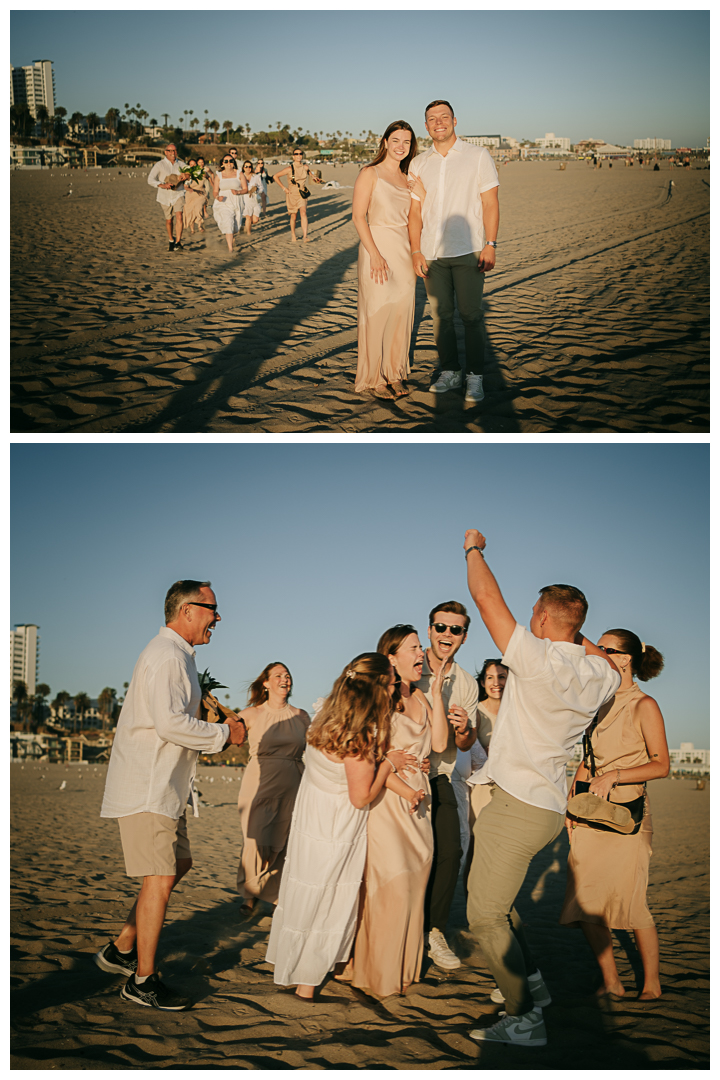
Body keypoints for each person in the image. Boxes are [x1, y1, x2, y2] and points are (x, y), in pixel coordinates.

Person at [462, 530, 621, 1047]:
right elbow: (604, 657)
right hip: (548, 810)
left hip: (516, 805)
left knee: (482, 914)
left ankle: (525, 1019)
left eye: (535, 612)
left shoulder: (536, 658)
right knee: (502, 905)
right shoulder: (602, 675)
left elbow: (486, 599)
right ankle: (533, 986)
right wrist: (574, 631)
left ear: (545, 620)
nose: (529, 617)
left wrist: (473, 549)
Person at [95, 580, 246, 1010]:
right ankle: (142, 979)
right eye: (213, 608)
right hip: (149, 785)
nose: (218, 617)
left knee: (179, 864)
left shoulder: (177, 657)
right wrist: (225, 732)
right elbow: (169, 724)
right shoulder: (167, 656)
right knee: (159, 877)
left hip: (165, 787)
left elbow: (174, 717)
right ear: (187, 611)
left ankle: (123, 946)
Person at [265, 653, 421, 1001]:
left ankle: (293, 969)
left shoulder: (324, 716)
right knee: (328, 897)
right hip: (336, 827)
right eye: (392, 679)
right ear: (378, 686)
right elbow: (361, 797)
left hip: (311, 816)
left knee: (307, 892)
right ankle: (306, 986)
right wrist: (388, 764)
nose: (396, 684)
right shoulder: (360, 736)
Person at [339, 626, 448, 998]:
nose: (422, 653)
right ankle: (376, 970)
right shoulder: (381, 701)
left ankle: (404, 969)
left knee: (415, 885)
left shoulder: (423, 698)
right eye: (415, 647)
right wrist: (402, 784)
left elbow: (439, 744)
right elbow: (375, 759)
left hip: (422, 798)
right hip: (388, 801)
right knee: (393, 886)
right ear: (392, 657)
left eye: (422, 647)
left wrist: (436, 694)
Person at [560, 629, 669, 1000]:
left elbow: (661, 765)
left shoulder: (644, 705)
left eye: (606, 649)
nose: (599, 653)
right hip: (591, 814)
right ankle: (611, 980)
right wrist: (571, 807)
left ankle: (651, 984)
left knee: (631, 900)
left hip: (629, 817)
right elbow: (587, 762)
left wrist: (615, 775)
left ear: (625, 659)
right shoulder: (598, 703)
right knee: (586, 901)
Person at [408, 101, 500, 404]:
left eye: (444, 117)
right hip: (432, 253)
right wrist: (416, 251)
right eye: (432, 119)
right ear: (426, 126)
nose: (438, 123)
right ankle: (450, 370)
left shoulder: (477, 156)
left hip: (469, 249)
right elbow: (416, 211)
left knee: (471, 315)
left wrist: (491, 243)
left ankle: (475, 376)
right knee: (440, 316)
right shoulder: (419, 163)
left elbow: (490, 203)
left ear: (455, 121)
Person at [415, 601, 479, 971]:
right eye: (441, 627)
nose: (446, 635)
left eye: (455, 630)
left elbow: (467, 744)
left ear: (464, 637)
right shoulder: (410, 664)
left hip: (442, 775)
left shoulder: (467, 683)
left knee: (450, 853)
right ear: (430, 631)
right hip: (404, 774)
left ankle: (434, 930)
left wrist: (463, 728)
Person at [235, 662, 310, 916]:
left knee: (284, 839)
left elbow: (317, 748)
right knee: (254, 837)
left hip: (292, 781)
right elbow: (226, 736)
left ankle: (272, 892)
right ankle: (250, 891)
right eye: (278, 675)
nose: (284, 679)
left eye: (287, 675)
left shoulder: (301, 716)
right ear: (265, 683)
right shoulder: (250, 714)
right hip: (258, 780)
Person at [352, 121, 418, 401]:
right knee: (377, 311)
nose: (401, 146)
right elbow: (358, 217)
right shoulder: (370, 173)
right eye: (396, 140)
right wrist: (375, 254)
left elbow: (419, 215)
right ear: (385, 142)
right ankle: (375, 377)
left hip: (404, 250)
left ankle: (395, 372)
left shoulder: (409, 178)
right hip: (376, 247)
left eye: (406, 141)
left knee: (401, 312)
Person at [465, 659, 508, 824]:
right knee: (476, 834)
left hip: (511, 784)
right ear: (482, 682)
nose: (496, 683)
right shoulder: (476, 712)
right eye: (490, 677)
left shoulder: (518, 712)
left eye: (502, 677)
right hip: (482, 785)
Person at [273, 148, 323, 242]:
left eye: (300, 153)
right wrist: (284, 188)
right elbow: (275, 176)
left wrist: (314, 177)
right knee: (293, 216)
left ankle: (305, 236)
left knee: (303, 212)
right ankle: (293, 234)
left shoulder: (305, 167)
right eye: (296, 154)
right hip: (292, 194)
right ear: (293, 156)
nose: (298, 155)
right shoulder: (289, 169)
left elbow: (309, 173)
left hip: (302, 193)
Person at [148, 143, 189, 252]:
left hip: (178, 194)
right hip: (164, 196)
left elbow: (190, 177)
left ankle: (178, 242)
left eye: (174, 150)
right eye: (170, 151)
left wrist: (187, 176)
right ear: (165, 152)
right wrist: (162, 184)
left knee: (179, 216)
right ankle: (171, 239)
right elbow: (150, 179)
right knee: (169, 220)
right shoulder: (159, 165)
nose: (172, 153)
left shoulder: (181, 164)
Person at [211, 154, 248, 253]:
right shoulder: (218, 175)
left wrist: (238, 192)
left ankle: (231, 239)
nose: (229, 163)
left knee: (235, 227)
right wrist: (217, 197)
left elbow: (245, 189)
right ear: (222, 163)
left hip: (236, 201)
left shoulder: (239, 173)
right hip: (223, 202)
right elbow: (215, 190)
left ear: (233, 163)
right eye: (226, 161)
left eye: (231, 161)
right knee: (228, 224)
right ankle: (230, 249)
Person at [182, 159, 207, 235]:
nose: (193, 165)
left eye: (194, 164)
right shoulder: (187, 174)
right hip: (190, 194)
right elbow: (185, 186)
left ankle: (199, 226)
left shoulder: (201, 172)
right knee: (190, 212)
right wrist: (190, 189)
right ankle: (192, 229)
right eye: (191, 164)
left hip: (200, 193)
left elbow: (208, 177)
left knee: (198, 207)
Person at [240, 159, 262, 234]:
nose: (248, 168)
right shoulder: (240, 177)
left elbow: (261, 188)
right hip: (245, 200)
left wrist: (256, 190)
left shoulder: (256, 177)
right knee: (248, 217)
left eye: (250, 166)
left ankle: (246, 226)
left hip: (255, 200)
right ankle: (248, 233)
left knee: (255, 220)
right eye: (246, 166)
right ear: (243, 167)